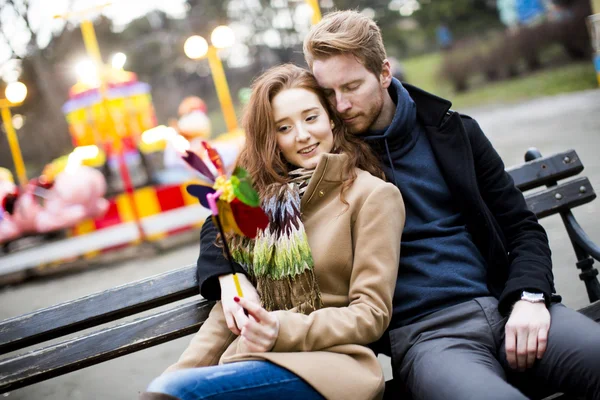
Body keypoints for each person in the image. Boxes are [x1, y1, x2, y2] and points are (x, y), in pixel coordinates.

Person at [194, 10, 600, 400]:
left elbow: (522, 227)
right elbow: (227, 209)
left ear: (384, 73)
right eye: (328, 93)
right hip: (426, 337)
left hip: (506, 306)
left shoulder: (452, 133)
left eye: (351, 87)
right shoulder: (324, 157)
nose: (339, 106)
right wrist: (230, 280)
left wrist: (530, 297)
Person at [141, 64, 405, 400]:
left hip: (332, 369)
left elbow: (371, 315)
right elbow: (233, 311)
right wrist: (167, 384)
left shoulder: (372, 196)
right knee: (172, 390)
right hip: (254, 361)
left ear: (331, 119)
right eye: (284, 127)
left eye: (311, 118)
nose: (303, 136)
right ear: (272, 138)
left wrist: (281, 328)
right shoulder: (261, 203)